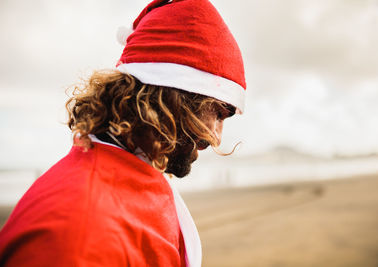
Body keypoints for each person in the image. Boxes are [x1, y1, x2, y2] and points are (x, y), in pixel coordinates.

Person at [0, 0, 246, 266]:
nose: (216, 136)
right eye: (218, 112)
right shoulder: (79, 232)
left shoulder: (136, 174)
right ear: (173, 95)